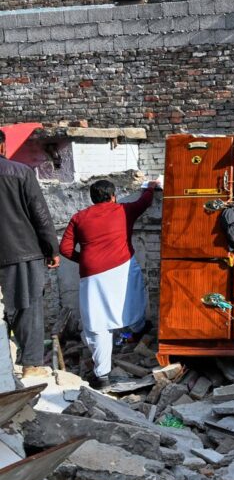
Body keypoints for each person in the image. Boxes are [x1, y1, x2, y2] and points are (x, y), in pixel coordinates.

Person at [60, 179, 159, 388]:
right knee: (134, 300)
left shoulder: (79, 217)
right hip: (122, 267)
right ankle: (137, 330)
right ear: (113, 196)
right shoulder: (124, 210)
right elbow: (146, 201)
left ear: (92, 198)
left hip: (92, 275)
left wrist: (86, 259)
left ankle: (102, 375)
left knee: (97, 323)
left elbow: (65, 248)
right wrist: (150, 186)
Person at [0, 131, 60, 380]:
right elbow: (40, 214)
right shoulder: (20, 172)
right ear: (2, 146)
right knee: (28, 307)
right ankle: (31, 364)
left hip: (16, 251)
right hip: (22, 250)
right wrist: (51, 249)